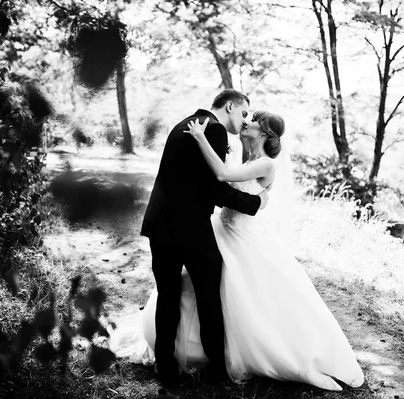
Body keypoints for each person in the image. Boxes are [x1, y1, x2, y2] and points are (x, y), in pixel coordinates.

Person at [111, 108, 365, 391]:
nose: (247, 121)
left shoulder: (267, 165)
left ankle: (267, 355)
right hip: (221, 231)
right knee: (196, 293)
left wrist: (200, 137)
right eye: (247, 116)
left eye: (254, 120)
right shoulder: (248, 159)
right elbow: (220, 183)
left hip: (241, 237)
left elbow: (221, 175)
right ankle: (192, 356)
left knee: (238, 298)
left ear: (265, 132)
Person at [138, 89, 270, 387]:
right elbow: (216, 189)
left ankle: (166, 370)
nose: (245, 120)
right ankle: (218, 371)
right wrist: (255, 203)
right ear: (230, 106)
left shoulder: (184, 124)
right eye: (244, 113)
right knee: (210, 298)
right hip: (191, 231)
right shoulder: (215, 130)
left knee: (168, 296)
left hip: (159, 225)